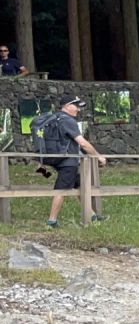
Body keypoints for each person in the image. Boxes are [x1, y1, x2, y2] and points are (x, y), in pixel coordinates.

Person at [44, 96, 107, 228]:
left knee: (80, 187)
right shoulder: (68, 121)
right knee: (61, 189)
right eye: (76, 106)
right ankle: (51, 221)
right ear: (66, 106)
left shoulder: (55, 118)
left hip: (57, 158)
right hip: (68, 161)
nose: (78, 109)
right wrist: (97, 156)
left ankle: (92, 215)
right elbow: (83, 143)